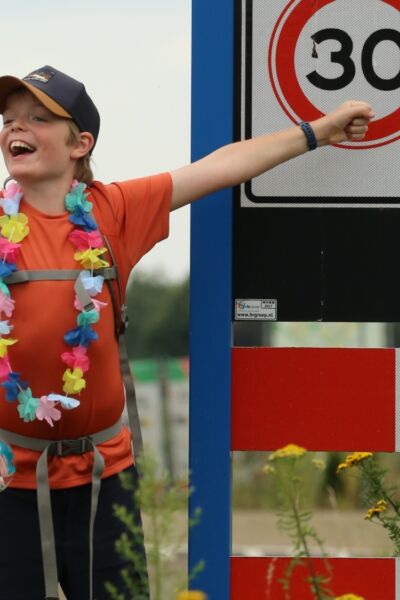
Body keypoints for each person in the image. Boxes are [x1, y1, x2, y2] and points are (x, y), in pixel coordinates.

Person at [0, 65, 372, 600]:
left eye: (38, 117)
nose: (17, 127)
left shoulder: (113, 210)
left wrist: (318, 131)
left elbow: (218, 167)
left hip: (105, 481)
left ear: (80, 143)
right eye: (10, 118)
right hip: (10, 481)